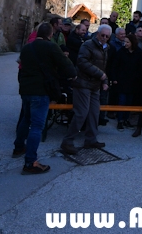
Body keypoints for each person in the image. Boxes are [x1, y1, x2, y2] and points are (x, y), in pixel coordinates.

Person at [16, 22, 76, 174]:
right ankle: (30, 162)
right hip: (41, 91)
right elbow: (65, 65)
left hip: (25, 89)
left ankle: (18, 147)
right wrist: (73, 74)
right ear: (50, 35)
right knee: (37, 126)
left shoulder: (26, 48)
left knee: (25, 119)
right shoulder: (51, 47)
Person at [60, 24, 109, 155]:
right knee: (81, 113)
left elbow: (103, 67)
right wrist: (101, 75)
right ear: (97, 34)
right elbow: (82, 62)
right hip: (82, 83)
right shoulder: (88, 45)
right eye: (102, 35)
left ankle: (91, 139)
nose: (104, 38)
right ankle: (67, 141)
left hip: (94, 85)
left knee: (94, 113)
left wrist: (104, 80)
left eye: (107, 36)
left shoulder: (105, 48)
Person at [112, 34, 142, 130]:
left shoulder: (139, 53)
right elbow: (115, 66)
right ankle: (120, 120)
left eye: (127, 42)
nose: (125, 44)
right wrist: (114, 78)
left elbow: (140, 67)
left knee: (129, 102)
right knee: (122, 101)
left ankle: (126, 119)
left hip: (133, 82)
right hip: (122, 81)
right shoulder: (121, 52)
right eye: (124, 42)